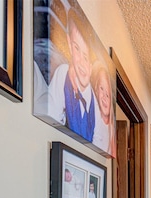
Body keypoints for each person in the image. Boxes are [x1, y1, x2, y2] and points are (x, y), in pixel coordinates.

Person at [48, 6, 96, 142]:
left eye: (86, 56)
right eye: (76, 48)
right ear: (69, 44)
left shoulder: (94, 102)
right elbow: (52, 114)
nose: (80, 62)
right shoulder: (62, 74)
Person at [90, 62, 115, 155]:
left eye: (108, 94)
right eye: (101, 88)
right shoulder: (94, 114)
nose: (104, 97)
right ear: (96, 89)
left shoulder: (112, 130)